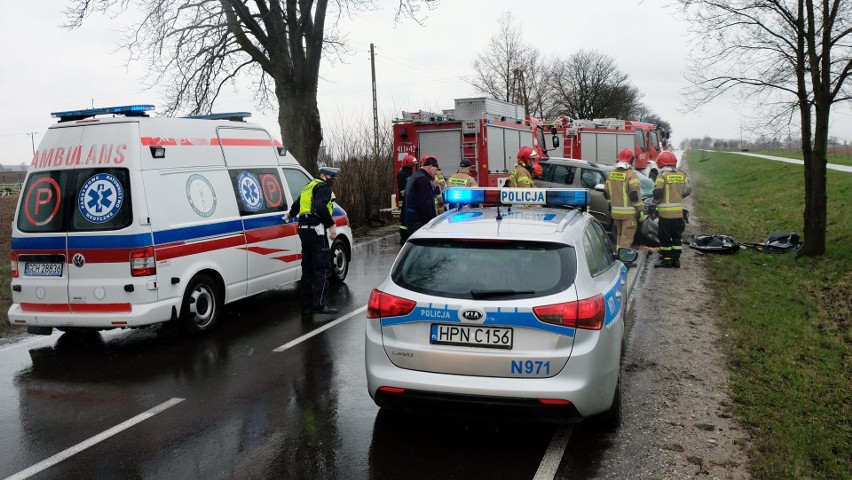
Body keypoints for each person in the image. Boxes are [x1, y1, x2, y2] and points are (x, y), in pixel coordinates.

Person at [287, 166, 341, 314]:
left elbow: (297, 204)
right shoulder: (322, 187)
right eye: (331, 177)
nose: (332, 181)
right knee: (323, 268)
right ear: (323, 175)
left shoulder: (307, 187)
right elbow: (320, 205)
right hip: (316, 230)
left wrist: (289, 215)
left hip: (303, 230)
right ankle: (319, 305)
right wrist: (331, 225)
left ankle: (306, 306)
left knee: (308, 269)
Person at [652, 150, 690, 268]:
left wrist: (655, 202)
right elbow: (688, 190)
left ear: (661, 163)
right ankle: (676, 260)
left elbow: (658, 193)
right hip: (678, 214)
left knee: (665, 238)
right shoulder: (682, 175)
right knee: (677, 237)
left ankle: (666, 260)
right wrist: (679, 196)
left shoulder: (662, 176)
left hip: (665, 215)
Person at [604, 148, 644, 252]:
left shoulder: (611, 173)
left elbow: (606, 192)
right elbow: (634, 195)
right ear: (631, 160)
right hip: (629, 214)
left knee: (620, 235)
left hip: (616, 213)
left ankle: (619, 254)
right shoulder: (631, 174)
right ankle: (625, 259)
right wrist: (640, 210)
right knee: (627, 237)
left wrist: (610, 205)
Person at [399, 155, 440, 244]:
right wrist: (431, 225)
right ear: (430, 167)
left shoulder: (414, 176)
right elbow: (425, 205)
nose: (436, 173)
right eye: (436, 170)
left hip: (411, 222)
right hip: (419, 224)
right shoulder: (423, 180)